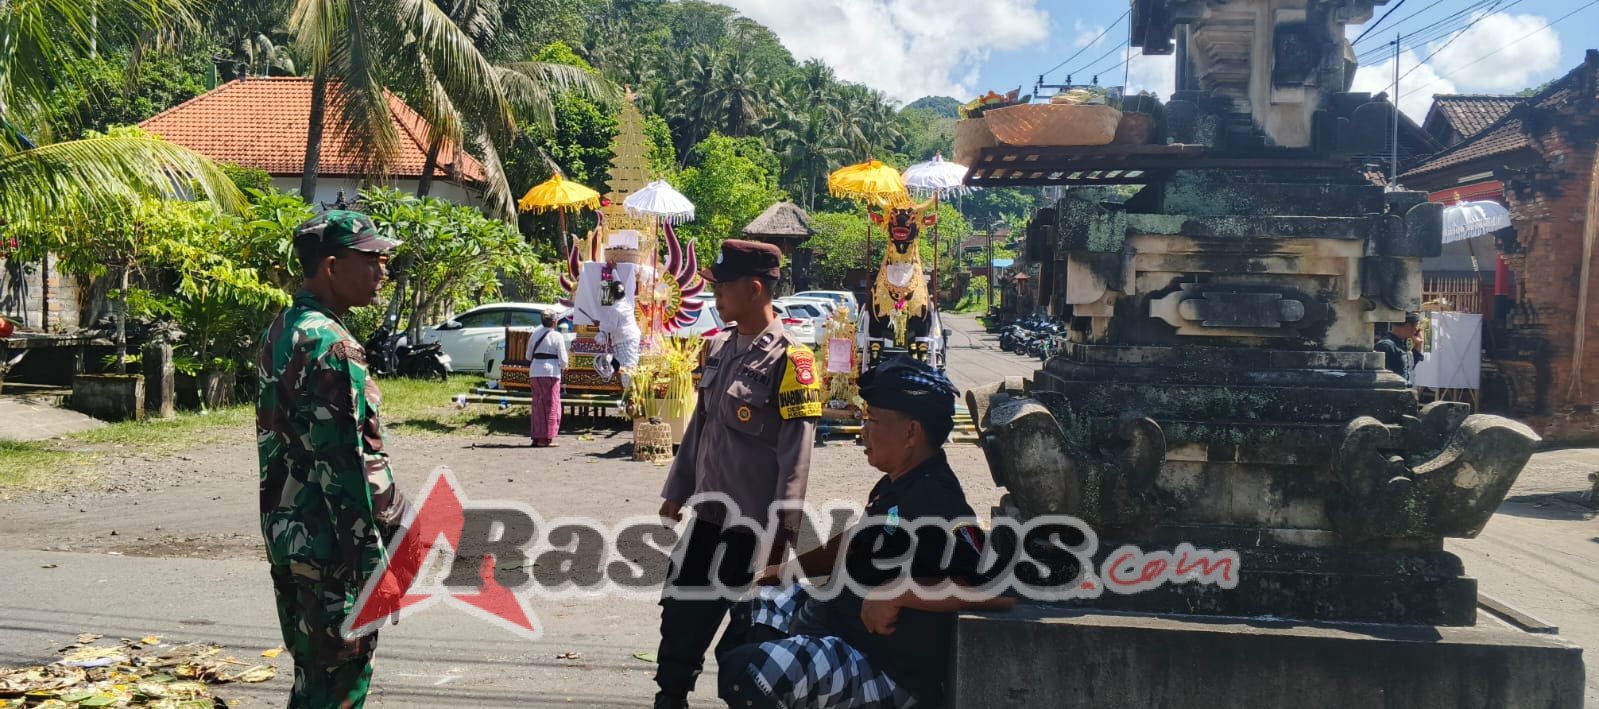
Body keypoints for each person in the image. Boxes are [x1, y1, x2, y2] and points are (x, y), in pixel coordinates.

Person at [717, 356, 1015, 709]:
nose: (864, 430)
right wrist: (786, 571)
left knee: (750, 674)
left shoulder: (936, 499)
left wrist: (899, 593)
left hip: (885, 671)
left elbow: (998, 590)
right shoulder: (898, 484)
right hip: (843, 629)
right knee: (751, 611)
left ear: (911, 432)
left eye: (873, 419)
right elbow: (856, 543)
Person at [653, 239, 823, 709]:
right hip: (707, 519)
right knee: (680, 616)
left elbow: (796, 461)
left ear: (753, 289)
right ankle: (671, 698)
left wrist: (781, 541)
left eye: (722, 287)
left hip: (753, 532)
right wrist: (677, 490)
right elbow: (699, 428)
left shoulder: (793, 361)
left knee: (748, 643)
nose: (715, 296)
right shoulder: (721, 348)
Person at [256, 210, 412, 708]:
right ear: (330, 266)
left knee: (313, 679)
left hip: (291, 535)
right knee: (341, 685)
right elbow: (344, 466)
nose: (381, 271)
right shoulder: (331, 346)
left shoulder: (284, 328)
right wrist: (372, 567)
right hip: (332, 550)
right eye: (370, 259)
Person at [525, 310, 569, 447]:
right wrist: (565, 366)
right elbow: (563, 359)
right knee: (551, 405)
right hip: (551, 373)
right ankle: (546, 438)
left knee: (538, 405)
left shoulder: (534, 334)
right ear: (555, 322)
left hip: (535, 372)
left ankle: (537, 437)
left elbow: (528, 356)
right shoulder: (557, 336)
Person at [597, 279, 642, 384]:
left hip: (625, 339)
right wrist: (614, 270)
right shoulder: (627, 301)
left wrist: (600, 325)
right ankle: (630, 393)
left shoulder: (615, 308)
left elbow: (611, 327)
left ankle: (630, 394)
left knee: (627, 367)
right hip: (631, 337)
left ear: (612, 295)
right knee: (629, 365)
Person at [1376, 311, 1426, 384]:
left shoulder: (1402, 343)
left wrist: (1419, 344)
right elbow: (1383, 378)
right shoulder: (1386, 346)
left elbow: (1409, 369)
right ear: (1408, 327)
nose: (1416, 331)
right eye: (1416, 328)